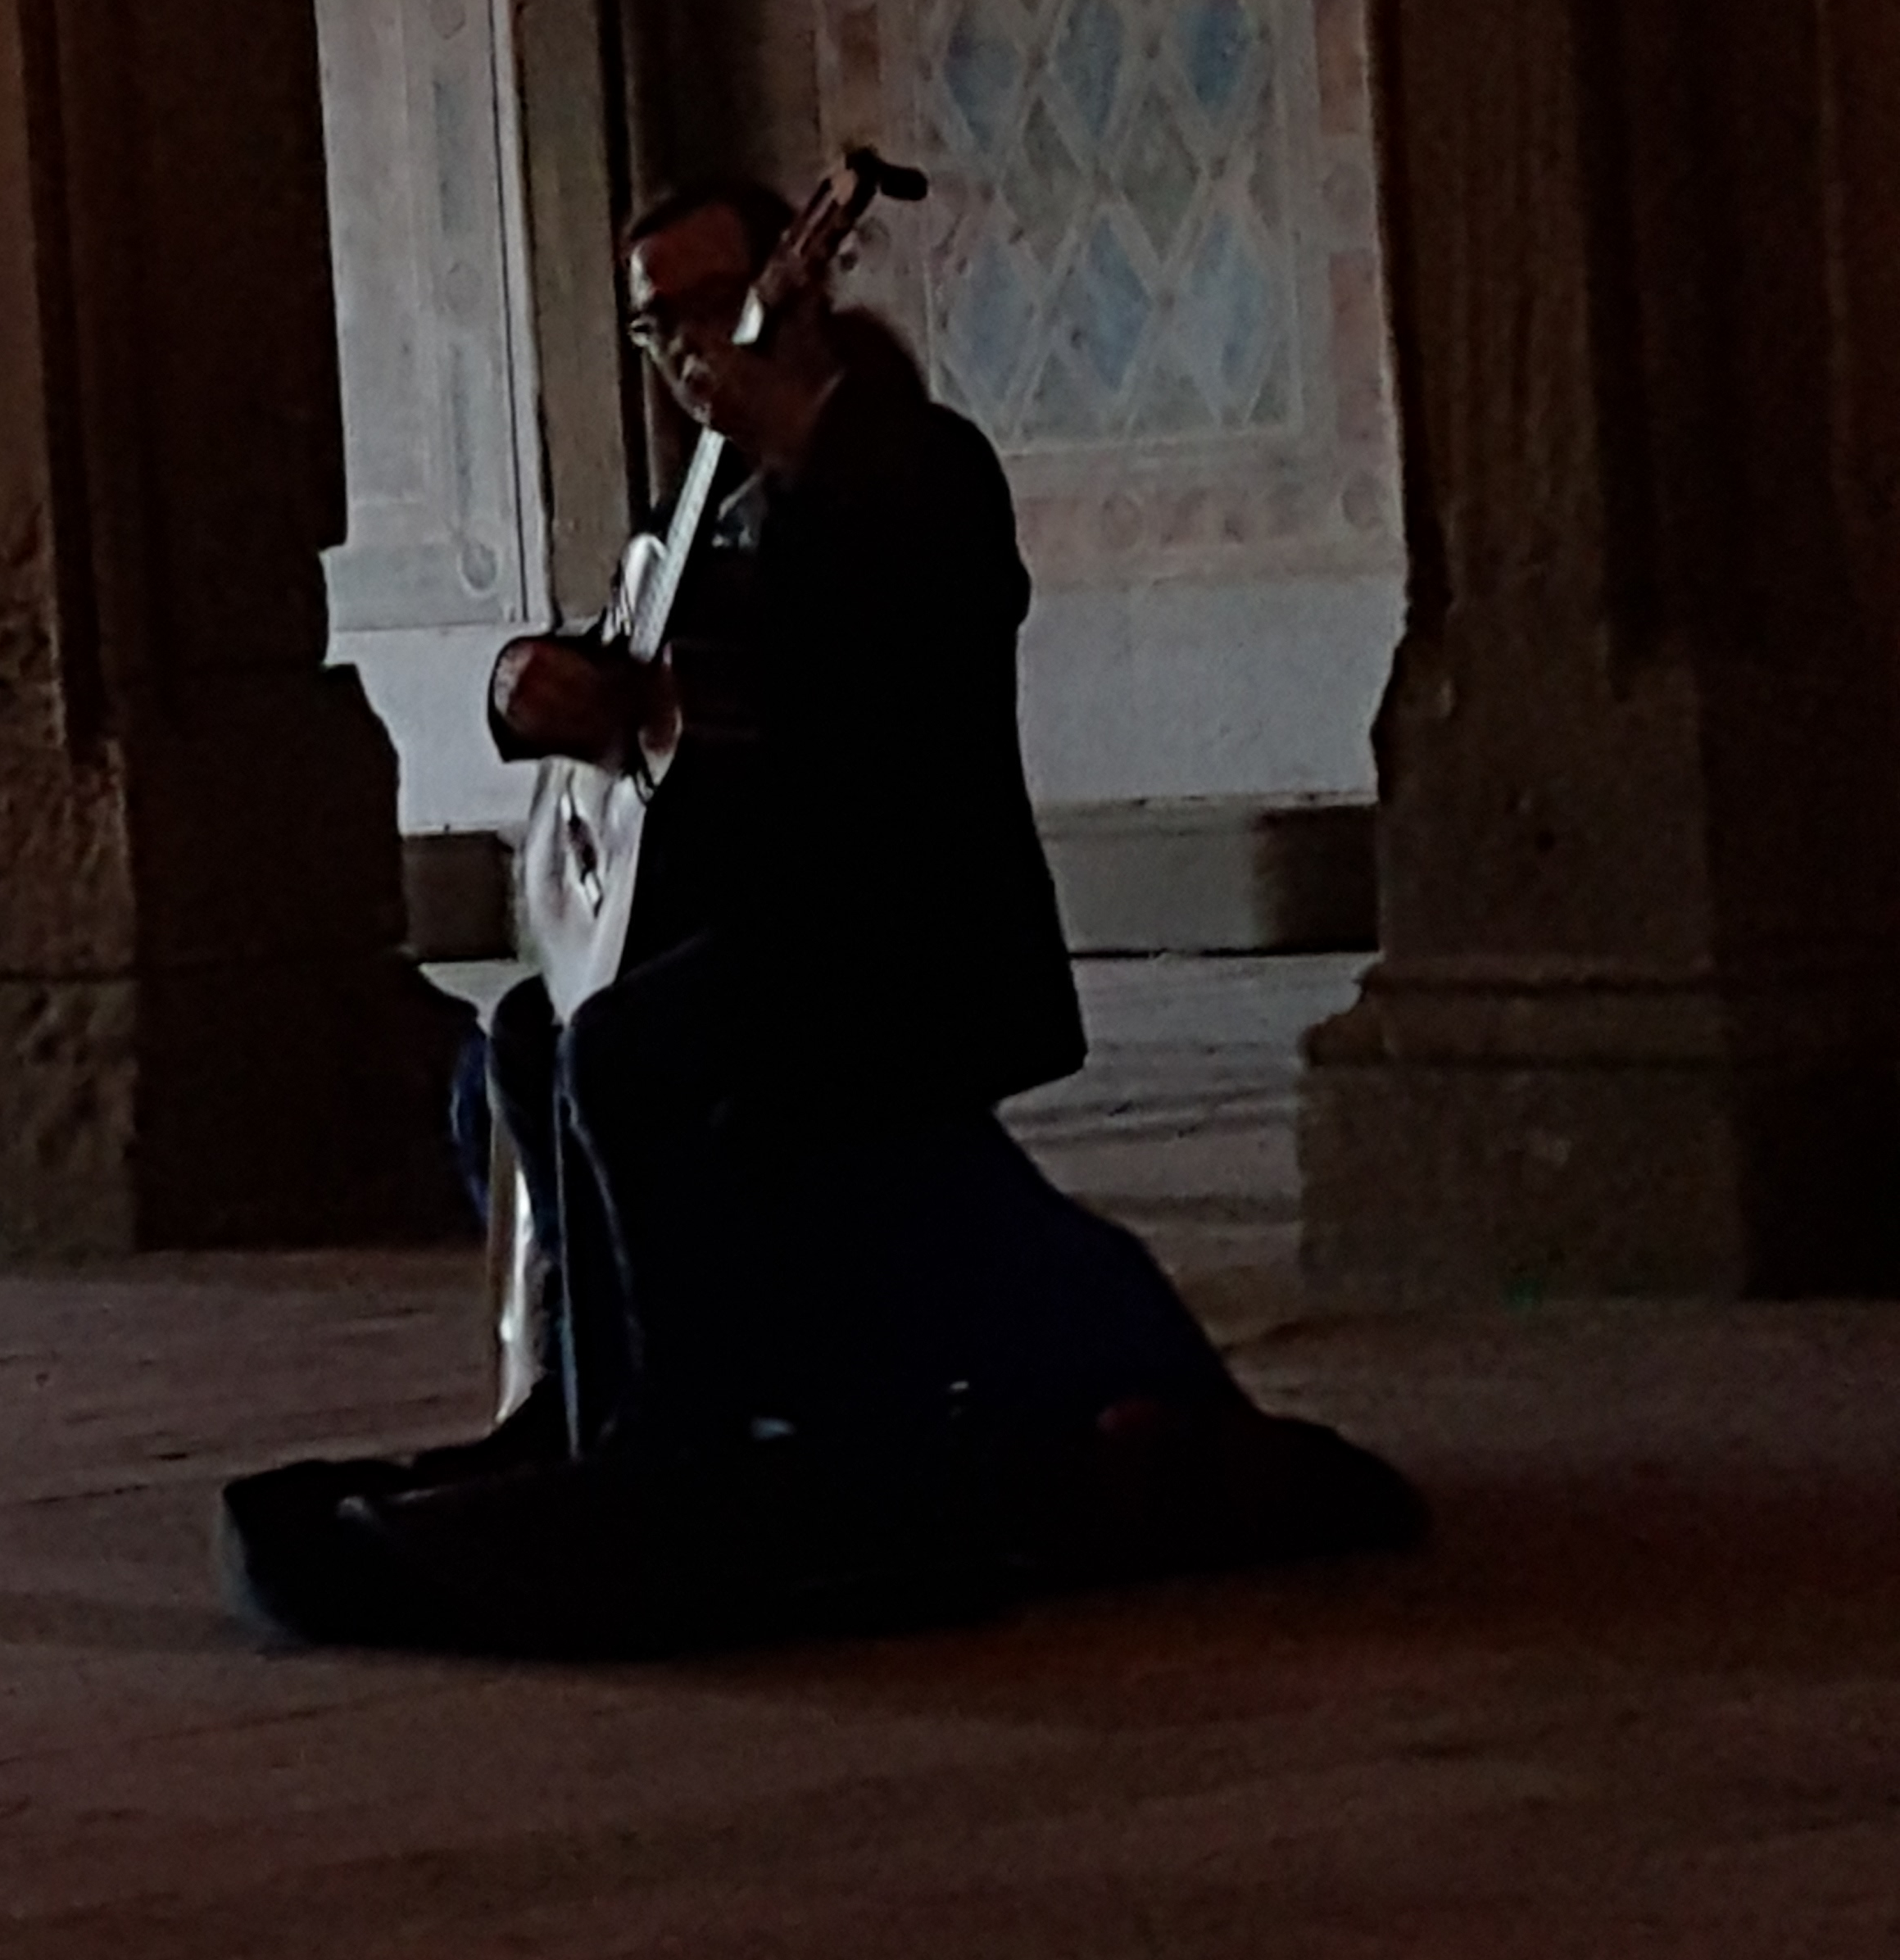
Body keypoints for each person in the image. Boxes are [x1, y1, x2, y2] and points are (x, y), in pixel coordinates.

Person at [220, 180, 1417, 1655]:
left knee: (627, 1056)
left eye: (701, 303)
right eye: (652, 322)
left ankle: (684, 1441)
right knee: (531, 1032)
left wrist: (795, 430)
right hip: (755, 930)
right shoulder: (705, 507)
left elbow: (929, 616)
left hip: (901, 936)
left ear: (789, 287)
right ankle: (587, 1408)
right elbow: (627, 656)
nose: (680, 346)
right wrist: (522, 686)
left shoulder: (917, 462)